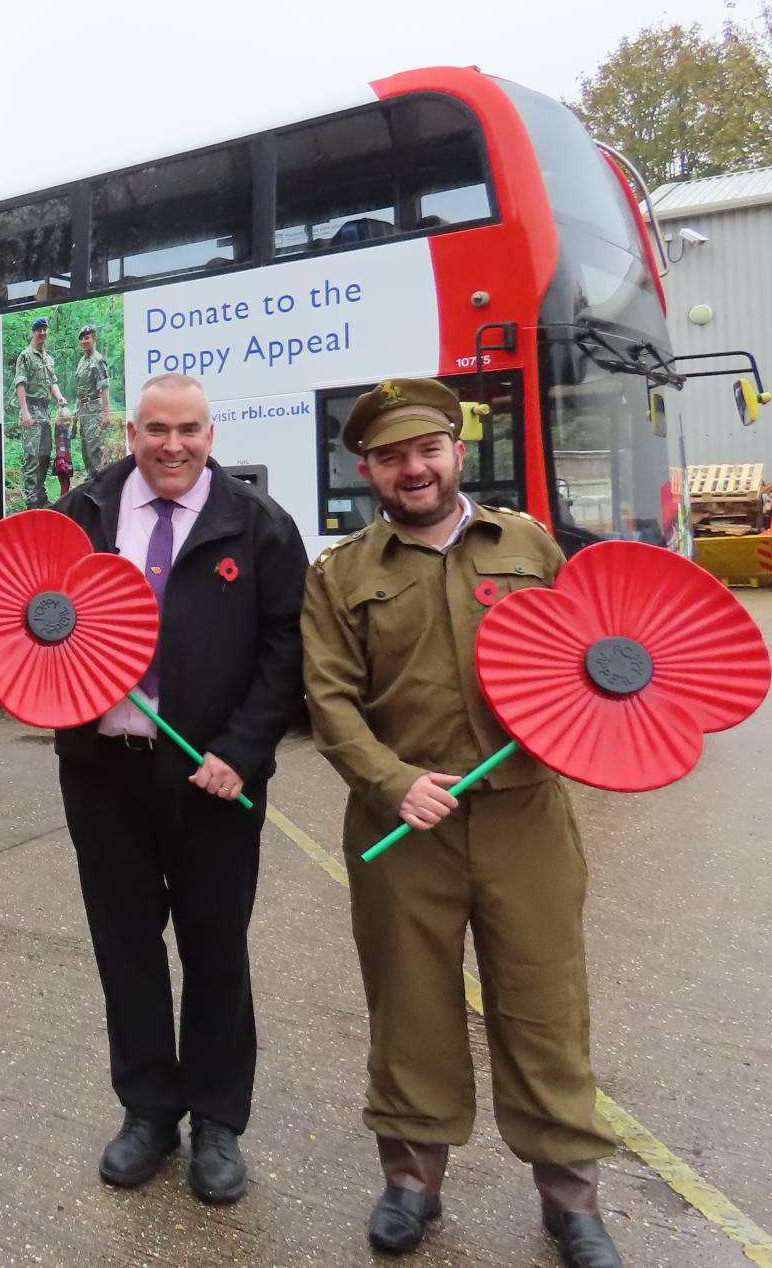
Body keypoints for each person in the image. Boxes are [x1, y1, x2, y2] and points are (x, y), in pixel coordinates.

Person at [300, 378, 622, 1267]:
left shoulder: (530, 545)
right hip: (405, 832)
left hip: (525, 820)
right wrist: (391, 781)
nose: (414, 469)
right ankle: (412, 1184)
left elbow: (591, 657)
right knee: (409, 1006)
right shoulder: (341, 575)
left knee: (544, 1002)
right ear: (366, 467)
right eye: (392, 457)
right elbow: (329, 703)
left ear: (455, 451)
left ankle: (570, 1198)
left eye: (428, 450)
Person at [51, 373, 307, 1204]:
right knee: (125, 949)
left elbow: (285, 652)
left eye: (189, 430)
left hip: (214, 781)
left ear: (209, 433)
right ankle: (148, 1114)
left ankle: (217, 1123)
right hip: (105, 774)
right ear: (131, 432)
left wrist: (242, 752)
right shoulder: (81, 517)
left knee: (215, 949)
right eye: (157, 429)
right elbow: (34, 622)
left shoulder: (259, 525)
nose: (173, 446)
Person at [13, 317, 70, 508]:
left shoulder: (48, 358)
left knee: (45, 456)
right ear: (33, 332)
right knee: (32, 458)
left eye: (45, 330)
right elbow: (20, 384)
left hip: (45, 411)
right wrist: (25, 412)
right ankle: (31, 502)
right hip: (31, 409)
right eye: (39, 330)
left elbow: (52, 382)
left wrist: (59, 397)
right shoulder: (25, 356)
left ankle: (41, 496)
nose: (43, 333)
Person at [72, 323, 113, 477]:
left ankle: (99, 484)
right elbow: (80, 387)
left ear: (94, 338)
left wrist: (106, 414)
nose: (84, 341)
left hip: (94, 409)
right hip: (83, 411)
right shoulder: (82, 361)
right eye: (82, 338)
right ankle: (90, 481)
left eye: (87, 337)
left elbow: (104, 388)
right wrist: (76, 409)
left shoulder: (97, 360)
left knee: (96, 449)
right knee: (86, 449)